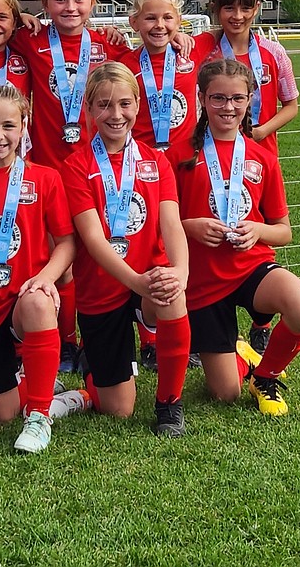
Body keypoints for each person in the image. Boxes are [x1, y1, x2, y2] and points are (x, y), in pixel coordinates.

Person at [0, 0, 133, 372]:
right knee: (60, 256)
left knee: (96, 251)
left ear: (93, 3)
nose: (70, 7)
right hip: (45, 167)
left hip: (97, 167)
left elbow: (148, 56)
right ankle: (64, 341)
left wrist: (176, 35)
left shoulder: (108, 45)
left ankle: (110, 335)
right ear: (43, 5)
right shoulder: (30, 38)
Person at [167, 58, 300, 418]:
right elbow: (160, 225)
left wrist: (258, 230)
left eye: (237, 98)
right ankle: (237, 352)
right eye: (218, 98)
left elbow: (284, 231)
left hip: (251, 267)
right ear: (201, 98)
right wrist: (191, 226)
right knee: (224, 395)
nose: (228, 107)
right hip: (202, 282)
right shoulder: (179, 154)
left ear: (250, 99)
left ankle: (266, 375)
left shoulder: (262, 158)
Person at [62, 62, 191, 437]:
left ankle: (170, 404)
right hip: (103, 288)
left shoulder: (157, 161)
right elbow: (93, 239)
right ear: (88, 110)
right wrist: (135, 280)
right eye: (103, 105)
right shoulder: (75, 167)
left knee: (171, 293)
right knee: (117, 410)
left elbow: (172, 223)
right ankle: (92, 362)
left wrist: (180, 273)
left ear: (137, 105)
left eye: (124, 104)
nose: (115, 114)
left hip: (146, 282)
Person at [0, 84, 83, 453]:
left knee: (40, 301)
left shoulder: (45, 178)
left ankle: (40, 416)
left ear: (24, 126)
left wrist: (44, 278)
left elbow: (67, 243)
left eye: (9, 126)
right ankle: (55, 394)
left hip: (23, 300)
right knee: (1, 414)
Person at [190, 0, 300, 353]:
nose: (237, 15)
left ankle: (259, 320)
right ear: (216, 10)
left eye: (245, 7)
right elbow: (167, 43)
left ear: (257, 9)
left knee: (257, 230)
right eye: (228, 8)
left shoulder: (273, 53)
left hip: (257, 156)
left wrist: (263, 129)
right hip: (209, 153)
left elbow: (293, 105)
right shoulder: (200, 47)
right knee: (216, 227)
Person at [118, 0, 201, 372]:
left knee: (184, 242)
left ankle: (186, 321)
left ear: (180, 21)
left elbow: (228, 35)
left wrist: (185, 35)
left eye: (168, 17)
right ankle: (148, 334)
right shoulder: (123, 62)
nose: (159, 24)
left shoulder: (192, 54)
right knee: (149, 241)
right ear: (134, 22)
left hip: (186, 165)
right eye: (150, 17)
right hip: (143, 170)